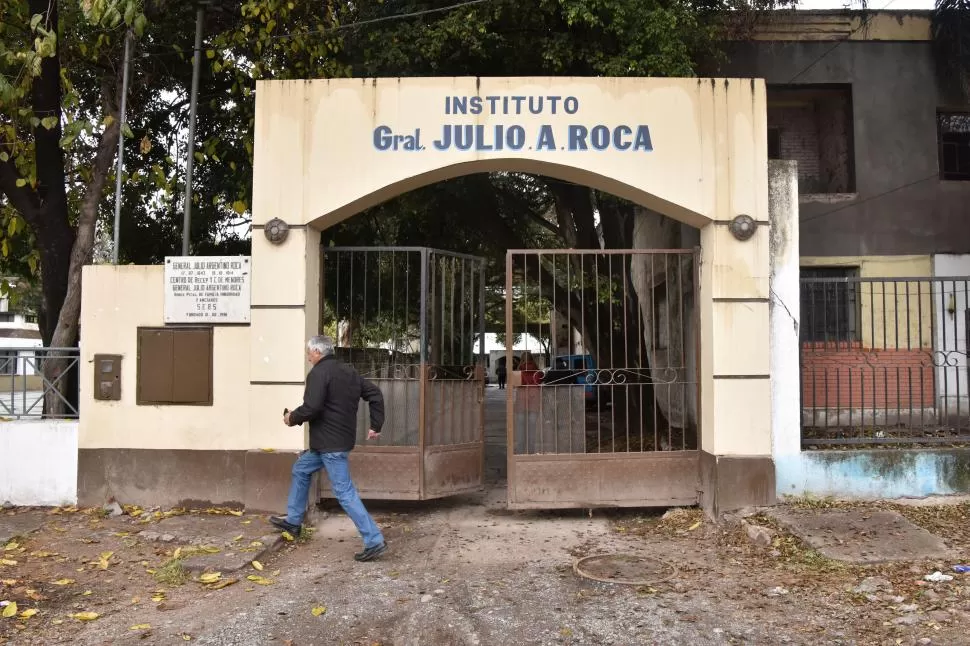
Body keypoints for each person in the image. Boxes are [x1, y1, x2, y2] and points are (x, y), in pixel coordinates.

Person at [269, 335, 388, 562]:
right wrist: (376, 424)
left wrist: (291, 417)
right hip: (332, 443)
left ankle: (374, 540)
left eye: (308, 353)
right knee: (301, 469)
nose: (307, 357)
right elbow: (375, 394)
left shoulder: (318, 373)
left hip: (330, 447)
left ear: (316, 352)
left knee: (344, 493)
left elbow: (312, 407)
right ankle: (293, 522)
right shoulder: (349, 372)